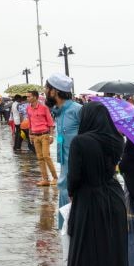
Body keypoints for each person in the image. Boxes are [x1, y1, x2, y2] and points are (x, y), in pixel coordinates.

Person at [63, 102, 131, 266]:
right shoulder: (117, 141)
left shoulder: (80, 142)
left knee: (88, 253)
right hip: (115, 198)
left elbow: (74, 178)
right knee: (113, 254)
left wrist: (73, 194)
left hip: (89, 201)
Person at [46, 73, 81, 229]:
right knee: (64, 226)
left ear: (55, 91)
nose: (45, 91)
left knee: (74, 223)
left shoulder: (77, 111)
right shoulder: (58, 112)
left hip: (76, 175)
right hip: (64, 175)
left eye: (47, 88)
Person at [26, 90, 57, 187]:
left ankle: (55, 177)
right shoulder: (28, 109)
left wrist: (51, 135)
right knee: (39, 158)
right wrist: (30, 134)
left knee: (46, 156)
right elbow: (30, 122)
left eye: (29, 96)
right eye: (27, 97)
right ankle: (45, 179)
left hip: (45, 135)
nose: (28, 98)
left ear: (35, 97)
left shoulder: (44, 108)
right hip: (35, 136)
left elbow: (50, 122)